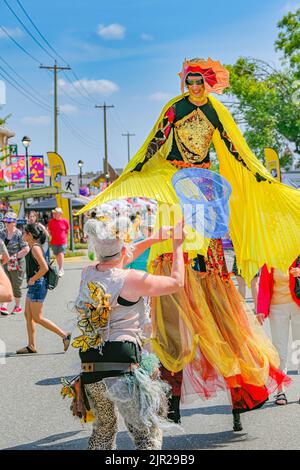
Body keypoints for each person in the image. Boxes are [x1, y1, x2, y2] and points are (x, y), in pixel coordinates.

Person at [76, 57, 298, 430]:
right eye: (190, 81)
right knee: (172, 321)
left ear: (208, 84)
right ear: (185, 82)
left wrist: (258, 177)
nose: (194, 87)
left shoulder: (216, 111)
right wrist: (133, 171)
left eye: (200, 82)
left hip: (203, 187)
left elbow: (236, 147)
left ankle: (236, 402)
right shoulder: (174, 109)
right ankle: (174, 402)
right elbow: (155, 142)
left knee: (217, 307)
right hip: (172, 182)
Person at [70, 217, 185, 450]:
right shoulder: (131, 279)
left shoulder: (88, 272)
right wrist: (177, 245)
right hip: (122, 364)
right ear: (123, 250)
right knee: (145, 432)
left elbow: (119, 257)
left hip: (91, 365)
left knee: (103, 429)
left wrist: (154, 238)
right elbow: (176, 282)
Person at [16, 224, 71, 354]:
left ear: (30, 235)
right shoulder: (32, 247)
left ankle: (64, 335)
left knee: (37, 317)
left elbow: (44, 268)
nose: (23, 235)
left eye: (25, 233)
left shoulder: (35, 248)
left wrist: (33, 278)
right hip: (34, 284)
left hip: (37, 285)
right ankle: (31, 345)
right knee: (28, 315)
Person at [256, 257, 300, 405]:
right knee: (279, 350)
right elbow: (263, 285)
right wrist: (261, 309)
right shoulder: (270, 254)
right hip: (277, 308)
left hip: (298, 307)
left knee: (298, 348)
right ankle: (280, 391)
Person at [0, 212, 29, 315]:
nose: (7, 223)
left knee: (16, 285)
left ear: (14, 222)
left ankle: (17, 306)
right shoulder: (2, 233)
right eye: (5, 221)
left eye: (9, 221)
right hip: (4, 262)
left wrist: (14, 257)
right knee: (4, 283)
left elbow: (26, 249)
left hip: (17, 262)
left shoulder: (19, 234)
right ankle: (4, 305)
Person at [48, 207, 70, 277]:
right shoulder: (51, 221)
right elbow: (49, 231)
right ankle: (61, 267)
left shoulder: (65, 221)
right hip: (54, 242)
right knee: (57, 256)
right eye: (53, 213)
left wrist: (65, 237)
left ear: (60, 214)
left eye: (55, 213)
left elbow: (67, 230)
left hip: (62, 241)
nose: (53, 214)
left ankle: (60, 269)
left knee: (61, 254)